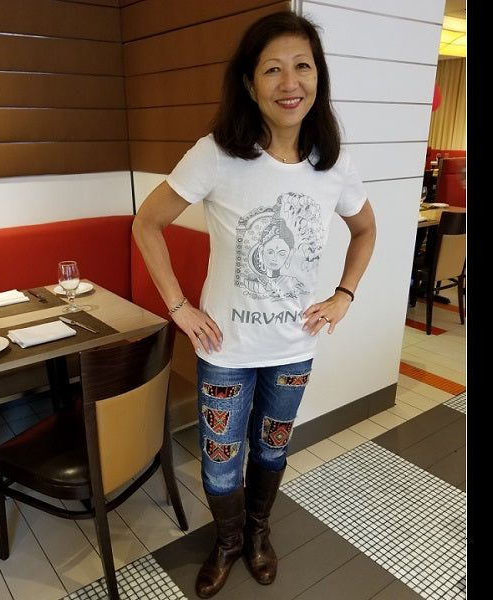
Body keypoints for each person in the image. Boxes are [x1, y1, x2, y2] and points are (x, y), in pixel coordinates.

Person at [132, 10, 376, 599]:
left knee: (272, 447)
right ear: (249, 82)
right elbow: (147, 223)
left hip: (294, 348)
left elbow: (366, 229)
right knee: (220, 461)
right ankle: (227, 541)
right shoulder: (217, 154)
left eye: (302, 67)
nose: (290, 83)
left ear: (318, 77)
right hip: (226, 350)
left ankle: (258, 532)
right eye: (272, 69)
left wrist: (343, 295)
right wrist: (178, 306)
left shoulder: (332, 163)